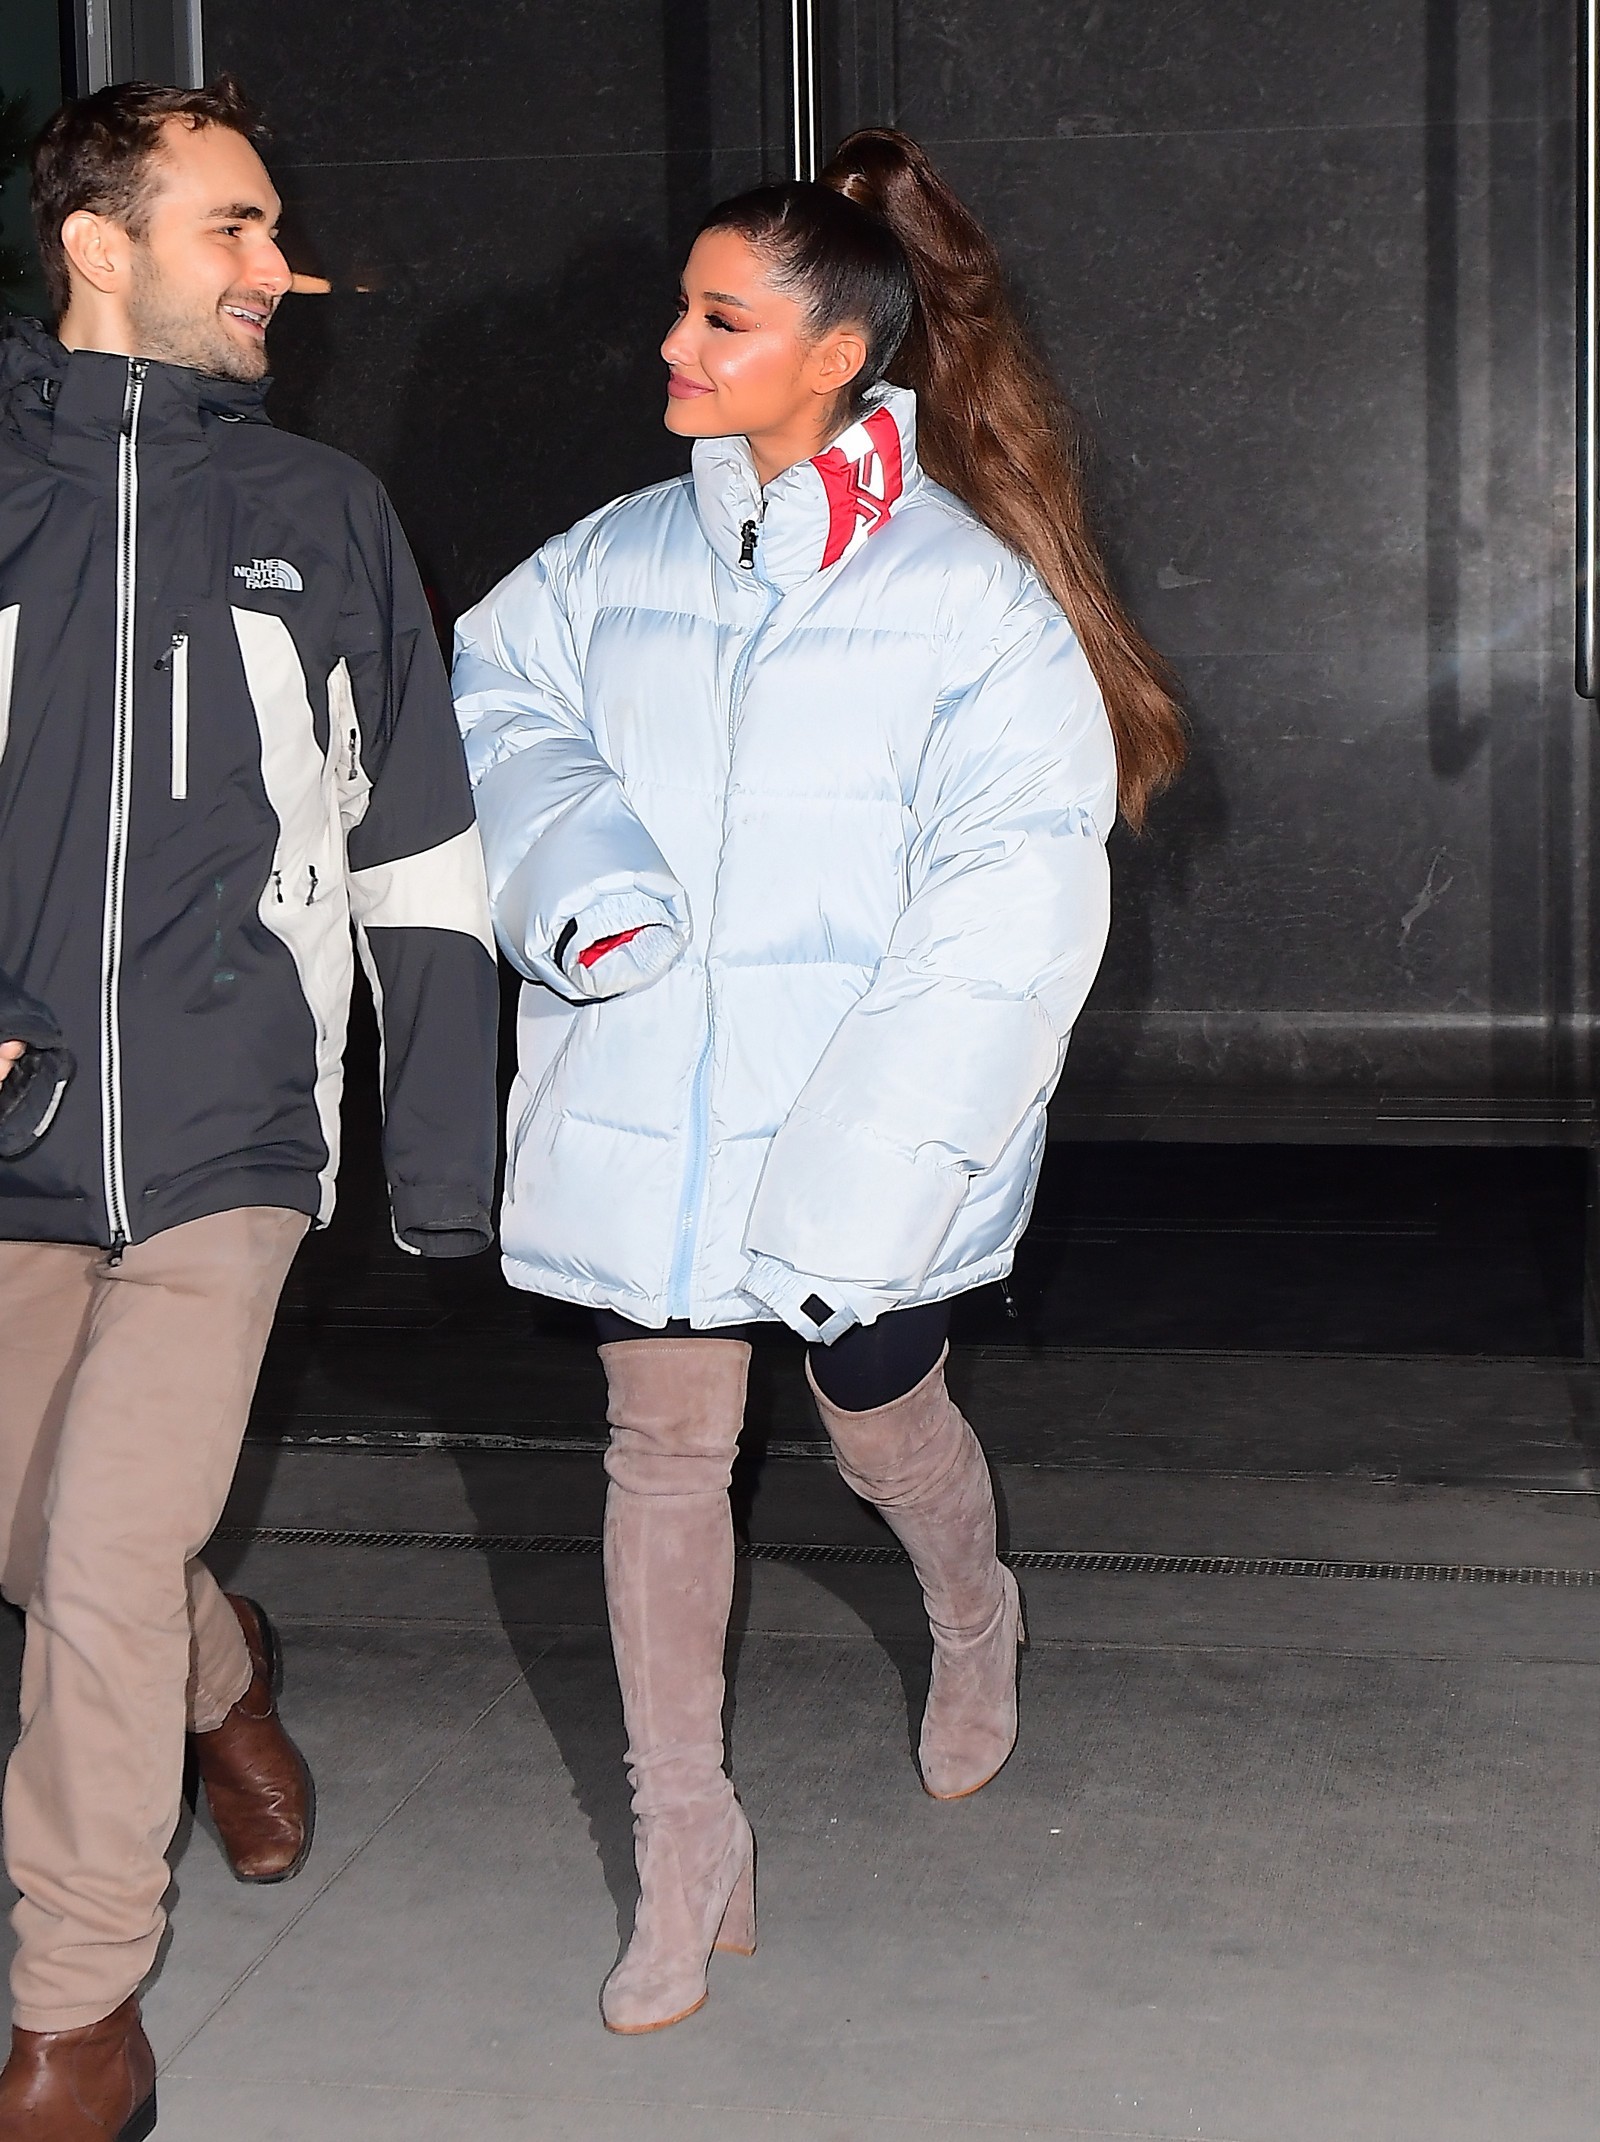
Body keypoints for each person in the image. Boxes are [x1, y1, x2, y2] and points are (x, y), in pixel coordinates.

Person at [454, 128, 1184, 2036]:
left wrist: (876, 1172)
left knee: (879, 1425)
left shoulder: (973, 604)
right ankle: (685, 1836)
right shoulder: (610, 557)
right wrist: (583, 887)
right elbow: (492, 707)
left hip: (852, 1113)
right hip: (647, 1089)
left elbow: (1013, 903)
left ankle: (973, 1607)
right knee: (661, 1447)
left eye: (721, 318)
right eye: (681, 309)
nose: (673, 345)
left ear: (840, 354)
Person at [0, 78, 498, 2139]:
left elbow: (422, 851)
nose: (279, 269)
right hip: (16, 1134)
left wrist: (447, 1158)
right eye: (235, 227)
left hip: (235, 1127)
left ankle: (74, 2014)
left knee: (101, 1549)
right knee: (42, 1539)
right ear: (96, 243)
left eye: (275, 229)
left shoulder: (323, 512)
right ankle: (223, 1677)